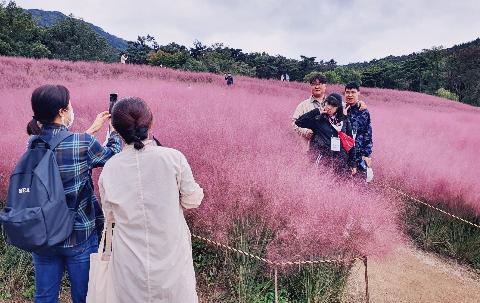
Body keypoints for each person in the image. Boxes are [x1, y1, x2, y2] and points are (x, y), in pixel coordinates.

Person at [97, 97, 204, 302]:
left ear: (117, 132)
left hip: (129, 261)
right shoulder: (173, 158)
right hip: (170, 256)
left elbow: (109, 215)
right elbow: (192, 200)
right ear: (151, 124)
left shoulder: (110, 168)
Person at [25, 84, 122, 303]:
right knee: (84, 296)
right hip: (78, 235)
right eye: (69, 105)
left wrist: (91, 129)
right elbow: (113, 155)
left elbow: (61, 150)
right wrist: (113, 132)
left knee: (45, 297)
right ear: (61, 111)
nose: (71, 108)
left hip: (43, 236)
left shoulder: (32, 143)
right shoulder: (82, 143)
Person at [295, 93, 356, 175]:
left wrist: (352, 163)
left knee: (341, 185)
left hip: (340, 161)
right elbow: (299, 122)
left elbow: (350, 142)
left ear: (338, 108)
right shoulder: (318, 120)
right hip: (321, 160)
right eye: (328, 103)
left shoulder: (344, 121)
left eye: (333, 105)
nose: (329, 107)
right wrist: (316, 111)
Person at [344, 81, 374, 182]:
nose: (350, 95)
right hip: (345, 155)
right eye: (347, 92)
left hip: (359, 155)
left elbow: (368, 134)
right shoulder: (342, 109)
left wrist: (367, 155)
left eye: (353, 92)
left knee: (361, 184)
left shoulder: (364, 111)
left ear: (358, 93)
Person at [292, 73, 328, 151]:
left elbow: (348, 108)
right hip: (309, 148)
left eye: (320, 84)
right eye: (313, 84)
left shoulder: (334, 103)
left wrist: (360, 103)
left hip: (329, 150)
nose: (317, 87)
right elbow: (294, 123)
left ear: (325, 86)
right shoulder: (303, 105)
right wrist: (305, 132)